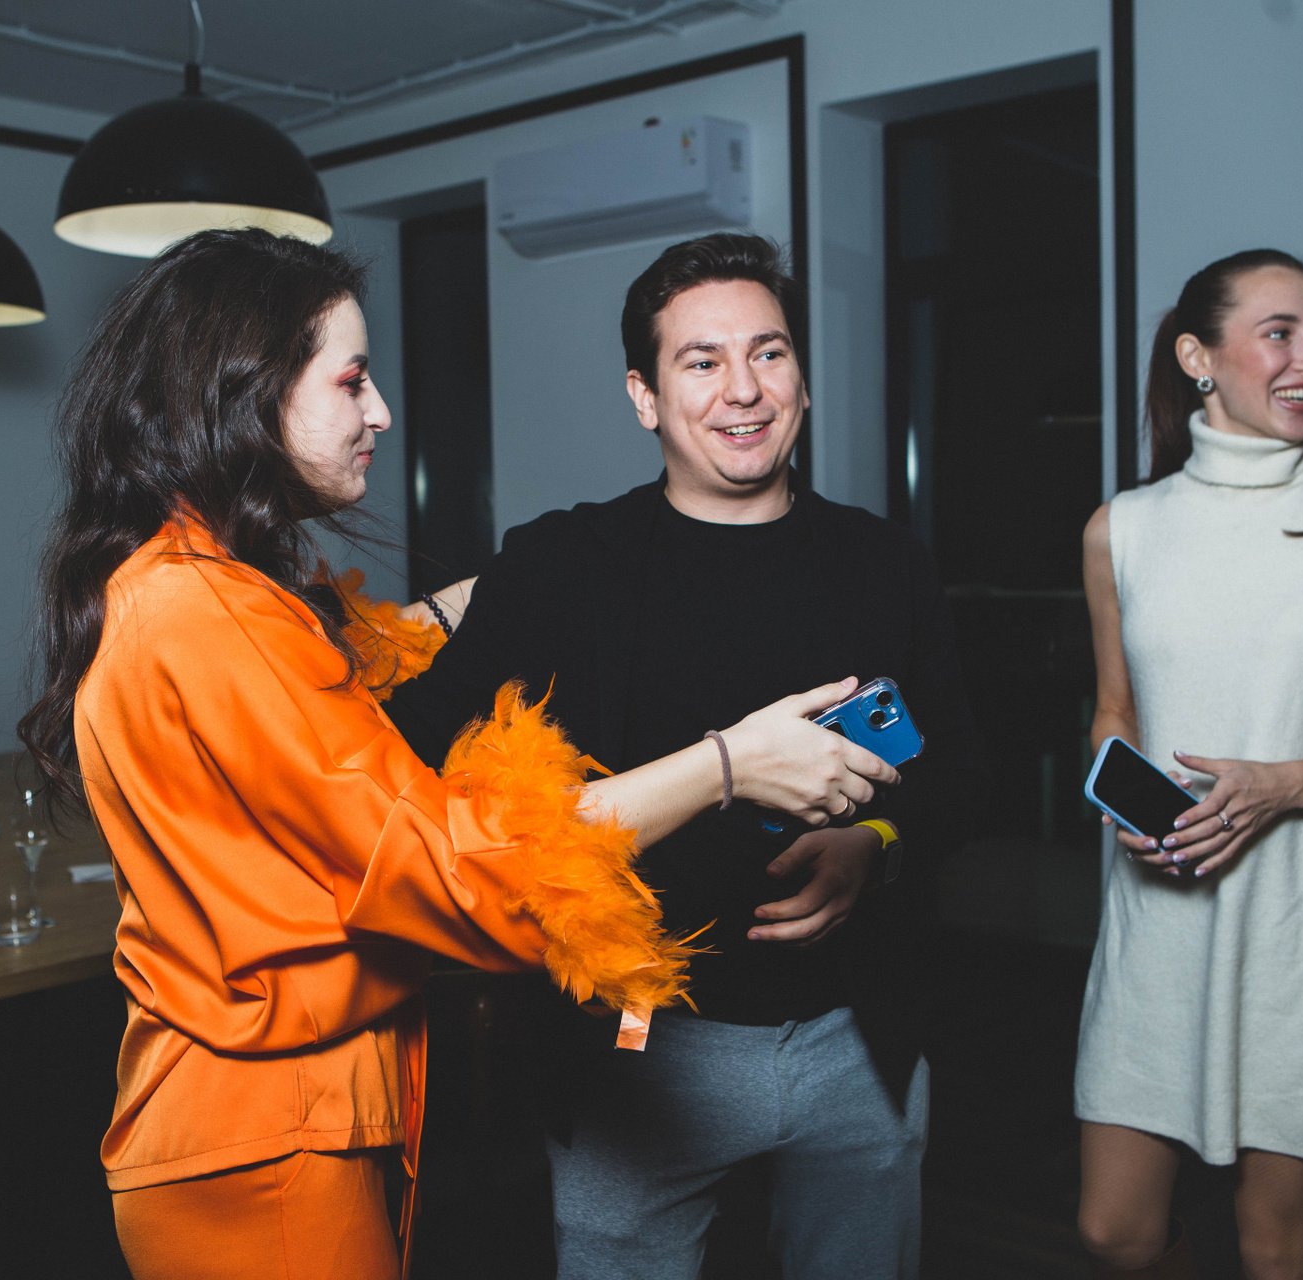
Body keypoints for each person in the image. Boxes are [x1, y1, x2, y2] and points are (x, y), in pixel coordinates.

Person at [15, 229, 901, 1280]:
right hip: (266, 1142)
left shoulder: (198, 593)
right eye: (352, 380)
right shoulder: (206, 618)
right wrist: (726, 762)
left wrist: (507, 588)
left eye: (768, 353)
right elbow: (453, 867)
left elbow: (332, 694)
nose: (381, 411)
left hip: (279, 1121)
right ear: (246, 397)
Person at [385, 233, 985, 1280]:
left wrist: (876, 844)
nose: (743, 389)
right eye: (701, 361)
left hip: (855, 1039)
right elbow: (406, 755)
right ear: (645, 397)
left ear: (801, 377)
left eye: (769, 353)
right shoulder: (562, 562)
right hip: (637, 1055)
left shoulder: (886, 560)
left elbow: (965, 774)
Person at [1073, 249, 1303, 1280]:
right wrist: (1127, 796)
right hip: (1159, 920)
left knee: (1279, 1249)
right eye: (1279, 332)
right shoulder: (1120, 530)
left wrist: (1288, 784)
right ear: (1199, 357)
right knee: (1116, 1231)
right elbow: (1114, 713)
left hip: (1300, 927)